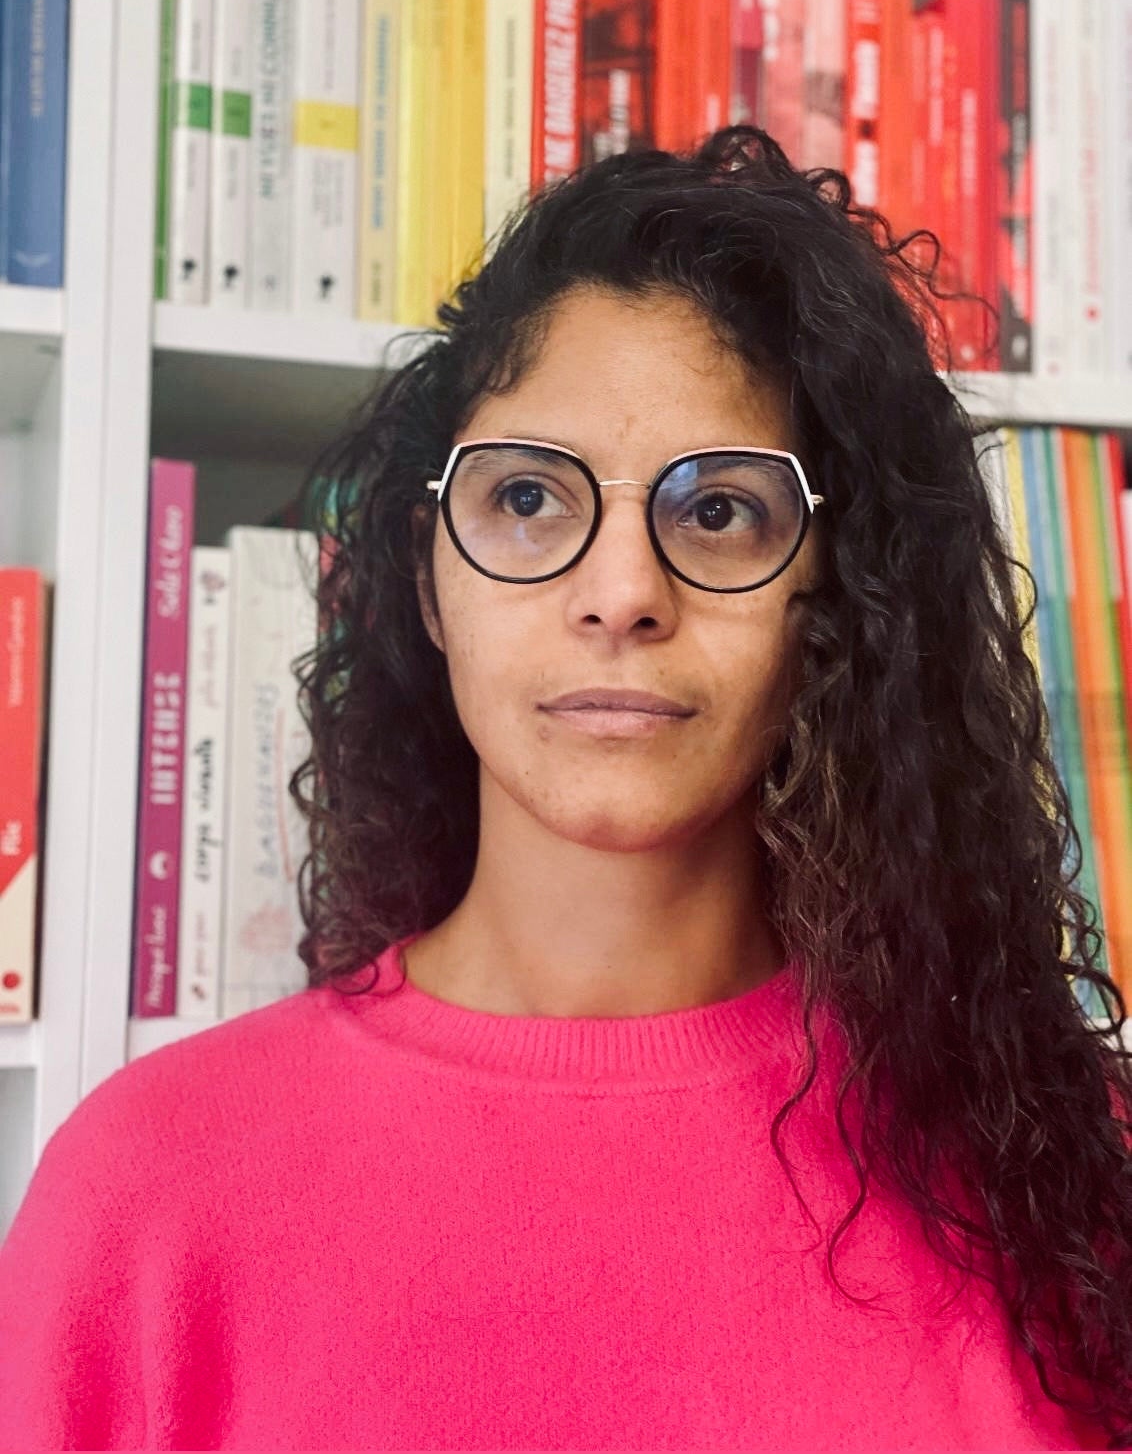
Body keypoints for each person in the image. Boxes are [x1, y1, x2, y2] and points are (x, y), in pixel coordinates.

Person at [1, 125, 1130, 1450]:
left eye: (719, 511)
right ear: (428, 579)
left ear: (835, 596)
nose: (622, 594)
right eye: (531, 498)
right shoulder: (146, 1197)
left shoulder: (1069, 1180)